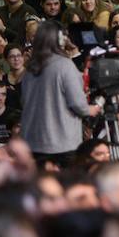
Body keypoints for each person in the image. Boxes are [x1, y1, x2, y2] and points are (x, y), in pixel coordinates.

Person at [21, 21, 101, 163]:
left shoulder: (29, 69)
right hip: (61, 145)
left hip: (33, 144)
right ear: (58, 38)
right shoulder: (64, 65)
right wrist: (94, 108)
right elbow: (79, 106)